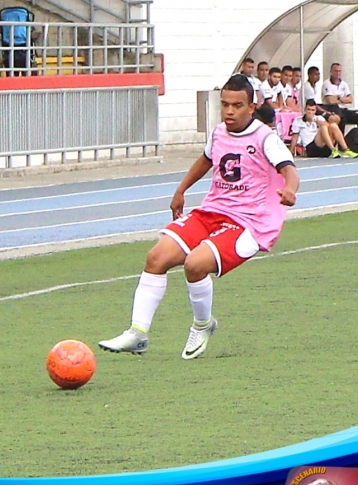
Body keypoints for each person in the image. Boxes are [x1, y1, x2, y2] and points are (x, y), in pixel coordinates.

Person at [98, 74, 299, 360]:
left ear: (251, 107)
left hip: (248, 223)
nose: (229, 111)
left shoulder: (265, 138)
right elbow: (206, 160)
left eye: (237, 105)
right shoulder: (219, 133)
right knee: (156, 257)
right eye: (225, 104)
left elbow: (289, 169)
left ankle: (203, 325)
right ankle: (137, 333)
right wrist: (181, 190)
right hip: (212, 211)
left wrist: (289, 189)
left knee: (195, 264)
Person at [288, 100, 358, 159]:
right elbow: (295, 138)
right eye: (308, 110)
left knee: (333, 125)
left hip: (324, 147)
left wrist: (315, 120)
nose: (310, 112)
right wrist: (290, 153)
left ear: (315, 111)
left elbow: (327, 126)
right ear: (305, 110)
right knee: (323, 128)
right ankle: (333, 150)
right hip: (310, 148)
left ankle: (345, 149)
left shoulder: (319, 118)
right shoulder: (298, 121)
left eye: (312, 110)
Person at [322, 62, 358, 133]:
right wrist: (343, 98)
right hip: (332, 110)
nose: (338, 73)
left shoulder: (344, 84)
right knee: (342, 120)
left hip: (343, 109)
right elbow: (330, 100)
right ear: (331, 72)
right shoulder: (326, 83)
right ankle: (341, 142)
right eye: (336, 71)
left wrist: (338, 98)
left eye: (339, 71)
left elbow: (350, 99)